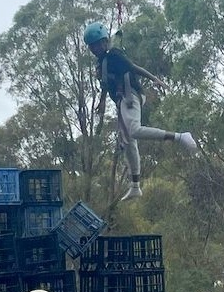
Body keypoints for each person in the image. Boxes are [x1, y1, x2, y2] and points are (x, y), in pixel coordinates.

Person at [83, 21, 197, 201]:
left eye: (96, 44)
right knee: (128, 141)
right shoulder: (102, 63)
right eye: (91, 46)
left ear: (105, 41)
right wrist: (102, 103)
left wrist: (155, 79)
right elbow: (106, 85)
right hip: (122, 101)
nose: (94, 49)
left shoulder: (114, 55)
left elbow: (134, 67)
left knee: (134, 131)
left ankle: (181, 136)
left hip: (131, 95)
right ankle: (135, 185)